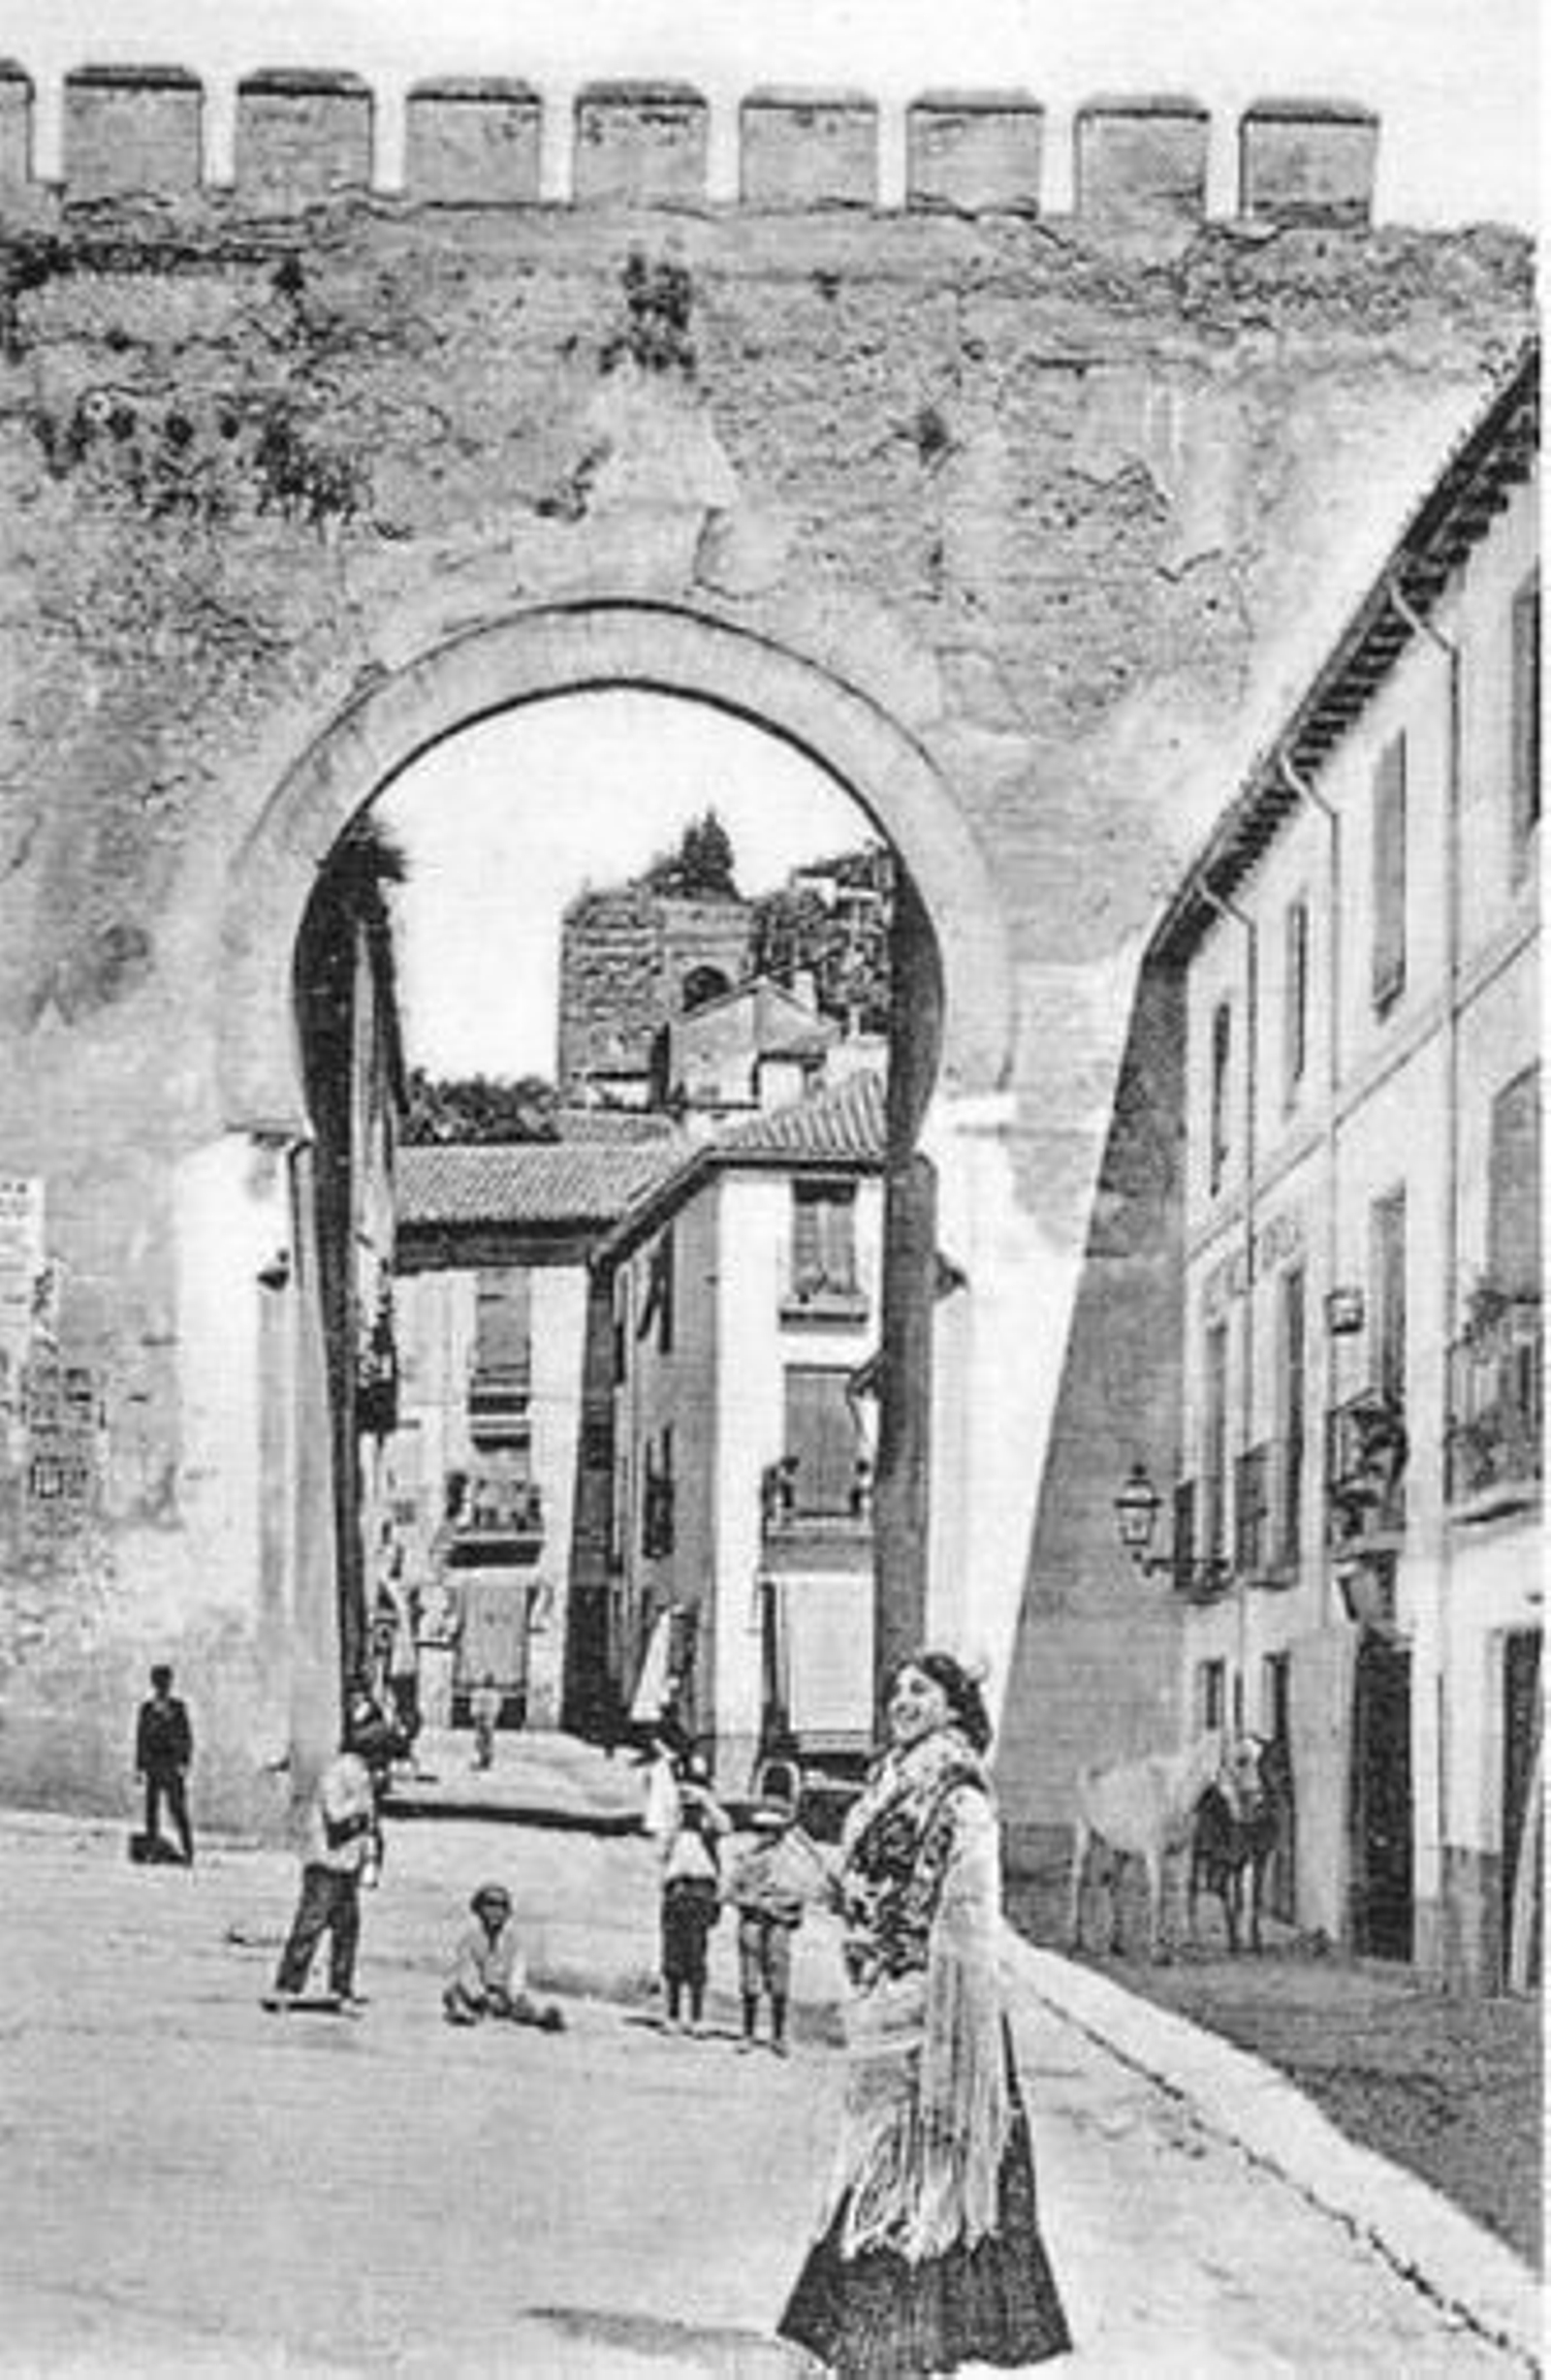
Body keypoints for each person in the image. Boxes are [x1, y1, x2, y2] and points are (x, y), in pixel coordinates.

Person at [778, 1652, 1071, 2375]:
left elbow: (970, 1916)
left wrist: (947, 2020)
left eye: (921, 1690)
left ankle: (896, 2349)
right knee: (879, 2164)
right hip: (882, 2002)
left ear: (954, 1706)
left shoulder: (961, 1796)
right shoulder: (889, 1783)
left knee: (923, 2171)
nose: (902, 1701)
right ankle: (889, 2347)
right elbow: (866, 1885)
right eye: (896, 1691)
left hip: (941, 2008)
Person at [262, 1709, 397, 2015]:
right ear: (371, 1749)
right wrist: (361, 1806)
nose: (385, 1761)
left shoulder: (363, 1774)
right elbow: (335, 1813)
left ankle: (341, 1989)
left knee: (347, 1930)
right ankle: (286, 1987)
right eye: (383, 1753)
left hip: (348, 1864)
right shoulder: (339, 1772)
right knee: (310, 1926)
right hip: (326, 1863)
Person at [725, 1795, 812, 2056]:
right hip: (752, 1921)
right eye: (760, 1829)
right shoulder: (746, 1858)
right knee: (749, 1979)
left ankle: (778, 2036)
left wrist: (779, 1904)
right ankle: (748, 2033)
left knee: (779, 1979)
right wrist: (753, 1901)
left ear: (780, 1832)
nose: (764, 1834)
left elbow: (801, 1894)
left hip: (778, 1923)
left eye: (771, 1830)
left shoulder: (792, 1860)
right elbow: (730, 1893)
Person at [658, 1751, 728, 2034]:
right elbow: (661, 1852)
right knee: (672, 1957)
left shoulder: (710, 1820)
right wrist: (676, 1816)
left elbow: (726, 1826)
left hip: (700, 1889)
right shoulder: (672, 1815)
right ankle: (672, 2015)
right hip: (676, 1888)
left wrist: (706, 1802)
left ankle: (697, 2017)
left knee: (696, 1955)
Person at [442, 1884, 566, 2031]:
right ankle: (465, 2014)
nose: (496, 1911)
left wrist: (514, 1996)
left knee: (523, 2007)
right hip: (478, 1995)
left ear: (507, 1913)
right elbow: (467, 1974)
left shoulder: (514, 1943)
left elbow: (517, 1974)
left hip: (504, 1994)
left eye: (502, 1906)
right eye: (490, 1904)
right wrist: (483, 1997)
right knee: (453, 1993)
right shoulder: (469, 1941)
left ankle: (541, 2018)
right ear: (478, 1909)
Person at [134, 1664, 194, 1864]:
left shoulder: (178, 1707)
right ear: (154, 1683)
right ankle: (152, 1851)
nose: (162, 1686)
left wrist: (184, 1762)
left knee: (178, 1810)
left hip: (172, 1765)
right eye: (159, 1682)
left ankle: (188, 1851)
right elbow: (141, 1739)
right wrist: (140, 1767)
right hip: (154, 1765)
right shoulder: (147, 1709)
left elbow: (186, 1737)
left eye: (165, 1682)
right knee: (152, 1811)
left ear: (170, 1683)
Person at [470, 1673, 501, 1771]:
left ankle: (483, 1761)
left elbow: (474, 1706)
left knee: (481, 1740)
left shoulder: (478, 1693)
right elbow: (497, 1708)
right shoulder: (495, 1694)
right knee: (486, 1741)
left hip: (482, 1719)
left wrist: (476, 1715)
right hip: (488, 1720)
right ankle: (485, 1761)